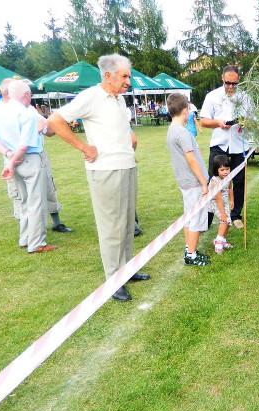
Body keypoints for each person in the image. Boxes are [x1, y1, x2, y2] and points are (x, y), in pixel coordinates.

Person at [48, 53, 150, 302]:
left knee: (127, 224)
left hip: (127, 166)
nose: (128, 82)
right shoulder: (91, 96)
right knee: (112, 227)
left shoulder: (119, 99)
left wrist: (129, 142)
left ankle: (127, 270)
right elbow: (55, 120)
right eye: (124, 76)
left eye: (128, 76)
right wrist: (84, 147)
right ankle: (114, 280)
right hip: (105, 171)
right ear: (107, 75)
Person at [0, 78, 72, 234]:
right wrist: (10, 154)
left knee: (47, 189)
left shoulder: (28, 109)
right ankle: (30, 234)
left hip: (34, 155)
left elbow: (48, 130)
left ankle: (53, 224)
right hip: (18, 157)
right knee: (21, 196)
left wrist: (50, 124)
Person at [0, 81, 55, 253]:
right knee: (37, 202)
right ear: (26, 95)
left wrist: (9, 157)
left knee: (25, 202)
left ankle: (25, 238)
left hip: (11, 158)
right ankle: (37, 243)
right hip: (29, 159)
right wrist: (13, 161)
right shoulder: (27, 113)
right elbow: (24, 145)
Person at [200, 64, 254, 230]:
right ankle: (207, 218)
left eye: (234, 84)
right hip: (219, 144)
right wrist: (217, 123)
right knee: (213, 181)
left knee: (239, 181)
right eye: (227, 83)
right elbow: (203, 121)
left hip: (239, 145)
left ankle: (235, 215)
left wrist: (246, 123)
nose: (231, 87)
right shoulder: (212, 96)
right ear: (222, 78)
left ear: (239, 81)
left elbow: (253, 121)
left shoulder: (245, 98)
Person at [165, 93, 210, 266]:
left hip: (185, 182)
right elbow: (191, 160)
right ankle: (191, 255)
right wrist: (203, 182)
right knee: (196, 218)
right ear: (185, 110)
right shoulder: (182, 133)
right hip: (193, 183)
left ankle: (189, 249)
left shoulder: (172, 130)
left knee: (189, 217)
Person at [208, 154, 234, 254]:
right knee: (224, 220)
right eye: (222, 170)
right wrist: (223, 214)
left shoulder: (229, 177)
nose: (225, 172)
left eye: (227, 169)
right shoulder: (215, 181)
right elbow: (218, 199)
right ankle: (218, 242)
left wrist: (232, 200)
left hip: (225, 201)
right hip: (215, 202)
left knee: (228, 222)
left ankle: (222, 240)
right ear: (216, 170)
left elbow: (230, 188)